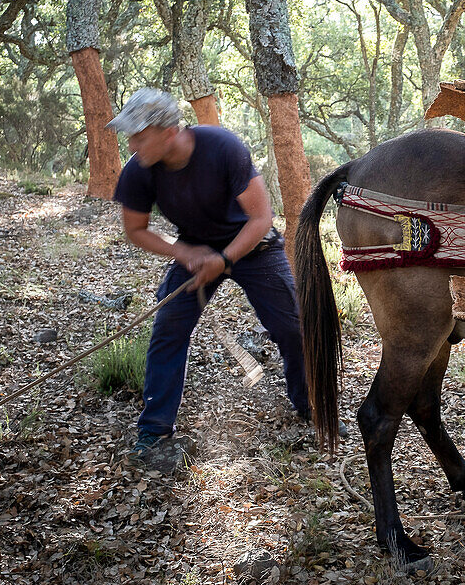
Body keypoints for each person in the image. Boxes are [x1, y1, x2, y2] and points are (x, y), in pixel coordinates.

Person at [107, 88, 335, 462]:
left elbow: (262, 218)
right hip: (196, 249)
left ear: (168, 131)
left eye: (139, 135)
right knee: (168, 330)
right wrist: (183, 251)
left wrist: (225, 258)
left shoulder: (223, 147)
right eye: (129, 136)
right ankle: (154, 430)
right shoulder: (139, 170)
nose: (131, 145)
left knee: (293, 326)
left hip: (253, 246)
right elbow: (136, 229)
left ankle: (312, 406)